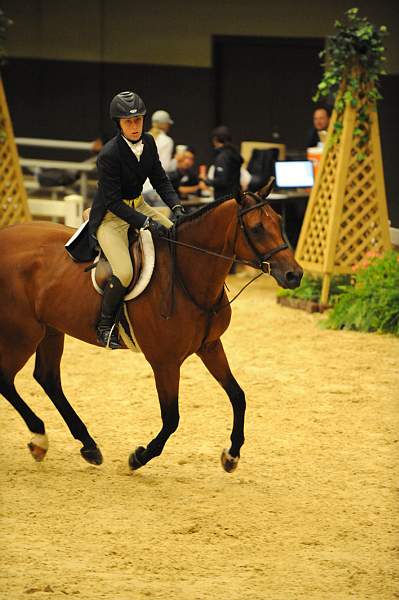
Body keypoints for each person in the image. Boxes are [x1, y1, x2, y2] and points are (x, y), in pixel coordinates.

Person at [88, 91, 185, 349]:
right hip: (111, 217)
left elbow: (160, 179)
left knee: (178, 235)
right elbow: (112, 202)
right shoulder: (109, 154)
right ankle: (105, 325)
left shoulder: (150, 142)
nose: (134, 126)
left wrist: (176, 205)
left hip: (139, 204)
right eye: (128, 122)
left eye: (138, 120)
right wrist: (143, 222)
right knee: (124, 271)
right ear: (119, 124)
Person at [203, 126, 243, 200]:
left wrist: (206, 180)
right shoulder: (234, 153)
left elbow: (222, 181)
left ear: (215, 139)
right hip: (235, 197)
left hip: (224, 199)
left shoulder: (223, 157)